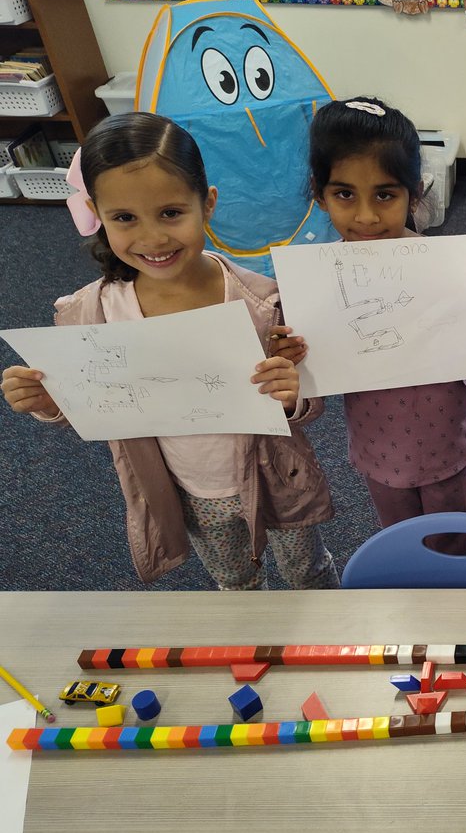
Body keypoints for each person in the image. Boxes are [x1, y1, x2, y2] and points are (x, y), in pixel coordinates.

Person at [0, 112, 338, 590]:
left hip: (273, 474)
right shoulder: (92, 313)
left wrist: (292, 392)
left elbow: (304, 397)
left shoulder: (262, 301)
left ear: (208, 204)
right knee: (235, 583)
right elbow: (95, 402)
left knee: (309, 574)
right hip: (186, 488)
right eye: (124, 218)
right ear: (99, 214)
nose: (153, 238)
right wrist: (50, 402)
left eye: (171, 213)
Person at [274, 97, 466, 554]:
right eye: (345, 194)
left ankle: (450, 606)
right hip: (378, 453)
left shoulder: (449, 274)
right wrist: (291, 375)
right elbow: (309, 402)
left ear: (414, 193)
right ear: (319, 193)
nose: (367, 216)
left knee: (454, 544)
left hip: (448, 445)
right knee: (400, 544)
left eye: (385, 195)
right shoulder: (313, 289)